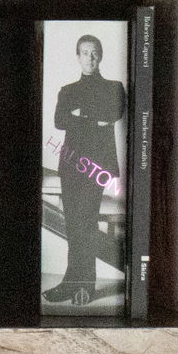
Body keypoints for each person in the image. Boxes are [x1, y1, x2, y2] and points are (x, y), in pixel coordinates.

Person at [45, 32, 126, 306]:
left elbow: (112, 114)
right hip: (70, 164)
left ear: (100, 56)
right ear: (78, 57)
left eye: (94, 53)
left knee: (86, 223)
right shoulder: (67, 91)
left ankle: (85, 285)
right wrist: (89, 119)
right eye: (84, 53)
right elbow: (59, 121)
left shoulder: (114, 87)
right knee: (73, 224)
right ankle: (71, 282)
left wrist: (79, 116)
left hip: (97, 165)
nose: (89, 58)